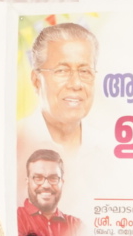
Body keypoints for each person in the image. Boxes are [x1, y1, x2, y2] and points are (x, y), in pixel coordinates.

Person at [17, 22, 97, 159]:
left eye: (84, 71)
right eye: (62, 71)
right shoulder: (14, 141)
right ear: (36, 80)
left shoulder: (108, 147)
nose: (76, 84)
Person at [16, 149, 80, 236]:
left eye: (53, 178)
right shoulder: (15, 219)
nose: (46, 185)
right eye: (38, 178)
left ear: (62, 182)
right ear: (27, 182)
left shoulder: (77, 226)